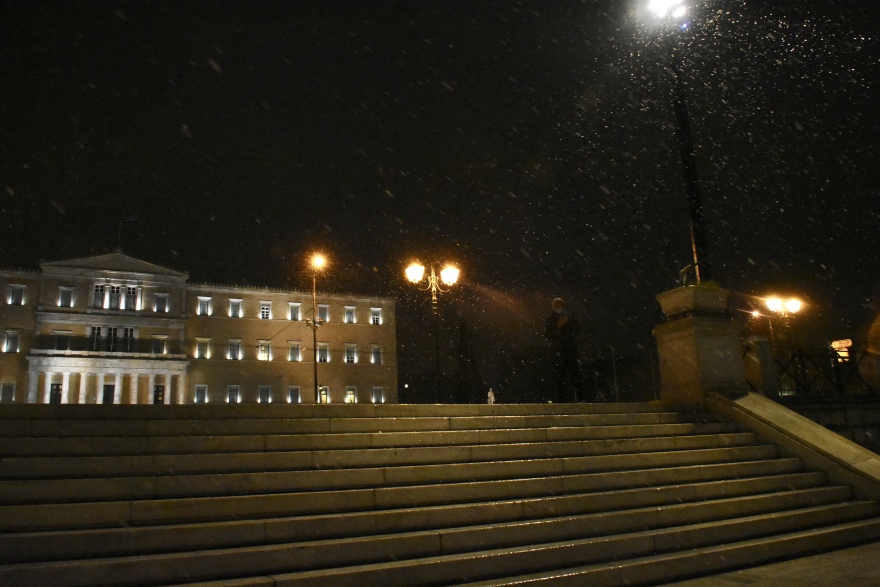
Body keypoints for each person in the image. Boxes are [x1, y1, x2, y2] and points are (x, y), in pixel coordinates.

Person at [544, 297, 588, 403]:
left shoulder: (569, 317)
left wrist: (569, 324)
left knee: (575, 375)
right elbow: (548, 335)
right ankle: (562, 401)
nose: (560, 307)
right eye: (557, 305)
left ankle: (581, 398)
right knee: (560, 378)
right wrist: (558, 326)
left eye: (561, 305)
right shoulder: (551, 319)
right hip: (558, 352)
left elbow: (578, 330)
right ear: (553, 307)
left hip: (571, 351)